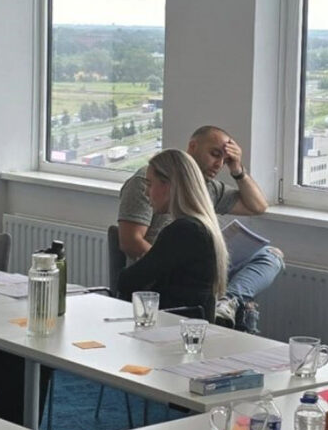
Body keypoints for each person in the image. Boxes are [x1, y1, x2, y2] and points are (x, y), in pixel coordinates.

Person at [117, 125, 282, 328]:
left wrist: (237, 170)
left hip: (183, 281)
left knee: (271, 255)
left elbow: (258, 206)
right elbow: (130, 241)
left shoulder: (207, 191)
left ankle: (229, 299)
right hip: (165, 272)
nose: (219, 164)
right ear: (193, 146)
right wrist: (163, 261)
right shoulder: (147, 179)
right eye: (214, 154)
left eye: (225, 160)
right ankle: (225, 301)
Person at [117, 149, 229, 322]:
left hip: (175, 326)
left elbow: (128, 281)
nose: (146, 193)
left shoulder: (183, 231)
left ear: (168, 185)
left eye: (150, 184)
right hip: (191, 323)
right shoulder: (202, 226)